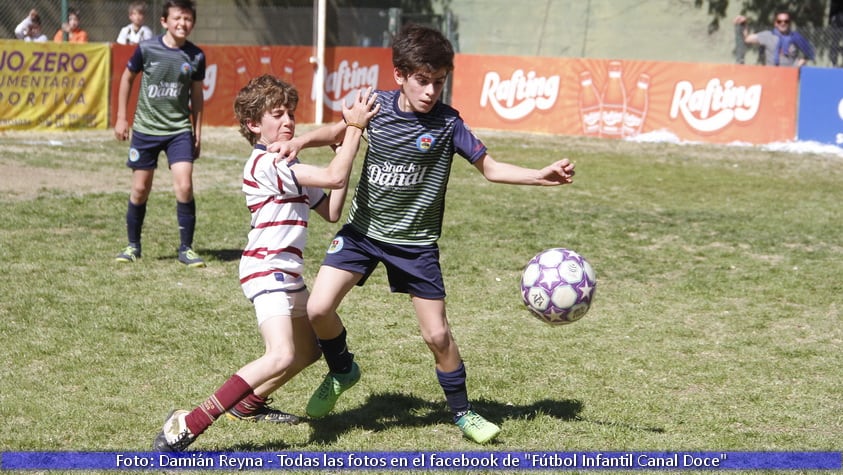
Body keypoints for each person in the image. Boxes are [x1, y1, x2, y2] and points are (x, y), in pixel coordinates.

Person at [275, 23, 576, 445]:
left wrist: (540, 175)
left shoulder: (449, 124)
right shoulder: (375, 107)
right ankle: (342, 369)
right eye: (422, 80)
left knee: (437, 334)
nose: (431, 91)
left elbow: (490, 169)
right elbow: (338, 131)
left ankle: (464, 413)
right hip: (362, 233)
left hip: (415, 246)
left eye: (438, 82)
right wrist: (302, 140)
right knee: (318, 309)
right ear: (399, 74)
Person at [152, 75, 379, 452]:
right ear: (254, 125)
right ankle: (186, 423)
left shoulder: (292, 161)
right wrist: (353, 129)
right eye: (278, 114)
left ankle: (248, 404)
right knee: (282, 354)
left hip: (287, 273)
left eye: (291, 112)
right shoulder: (266, 162)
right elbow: (334, 175)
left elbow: (332, 208)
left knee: (308, 352)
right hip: (265, 268)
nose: (289, 120)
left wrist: (348, 138)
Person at [113, 0, 206, 267]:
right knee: (140, 189)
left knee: (185, 185)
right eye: (178, 18)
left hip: (178, 130)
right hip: (145, 130)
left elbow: (197, 97)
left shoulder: (196, 56)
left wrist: (197, 132)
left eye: (188, 19)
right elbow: (127, 78)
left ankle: (186, 248)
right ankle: (133, 246)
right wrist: (122, 117)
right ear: (165, 21)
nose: (182, 24)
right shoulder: (147, 48)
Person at [734, 11, 815, 67]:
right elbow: (747, 39)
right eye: (780, 21)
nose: (783, 23)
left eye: (786, 21)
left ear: (789, 23)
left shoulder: (796, 37)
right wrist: (744, 24)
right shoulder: (768, 35)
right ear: (775, 23)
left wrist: (803, 61)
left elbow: (810, 52)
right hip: (771, 75)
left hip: (790, 76)